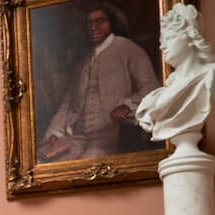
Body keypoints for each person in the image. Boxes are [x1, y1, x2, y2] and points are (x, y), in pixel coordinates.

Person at [38, 1, 161, 162]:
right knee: (52, 165)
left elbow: (151, 87)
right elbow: (68, 103)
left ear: (112, 23)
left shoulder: (128, 49)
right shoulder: (84, 61)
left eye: (100, 21)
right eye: (90, 23)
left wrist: (129, 105)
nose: (93, 27)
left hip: (109, 135)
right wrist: (55, 133)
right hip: (77, 136)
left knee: (87, 165)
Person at [135, 3, 215, 142]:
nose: (163, 46)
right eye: (162, 40)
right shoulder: (155, 99)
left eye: (169, 38)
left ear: (190, 37)